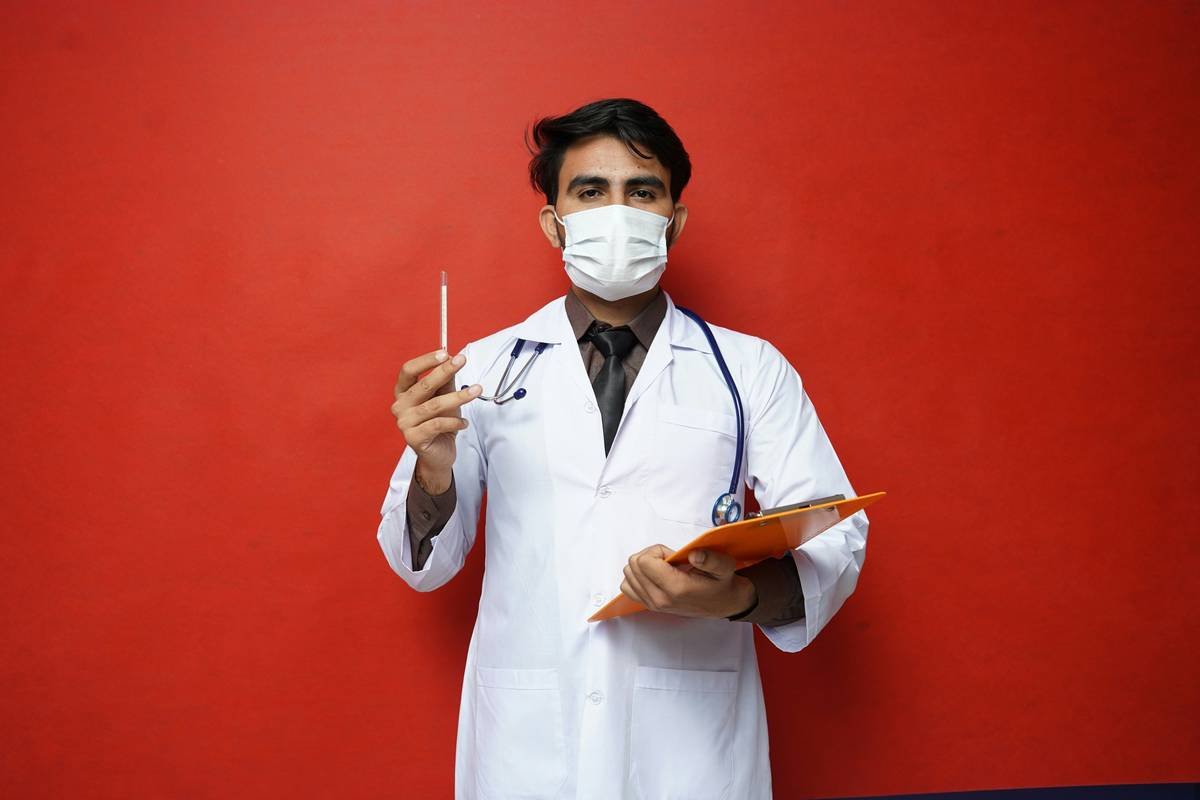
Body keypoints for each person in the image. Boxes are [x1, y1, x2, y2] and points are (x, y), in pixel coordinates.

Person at [377, 98, 869, 800]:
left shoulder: (748, 369)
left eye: (642, 192)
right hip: (528, 746)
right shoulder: (481, 371)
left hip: (690, 751)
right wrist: (432, 467)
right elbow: (423, 566)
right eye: (589, 191)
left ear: (675, 218)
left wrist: (734, 597)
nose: (618, 210)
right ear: (554, 223)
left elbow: (837, 534)